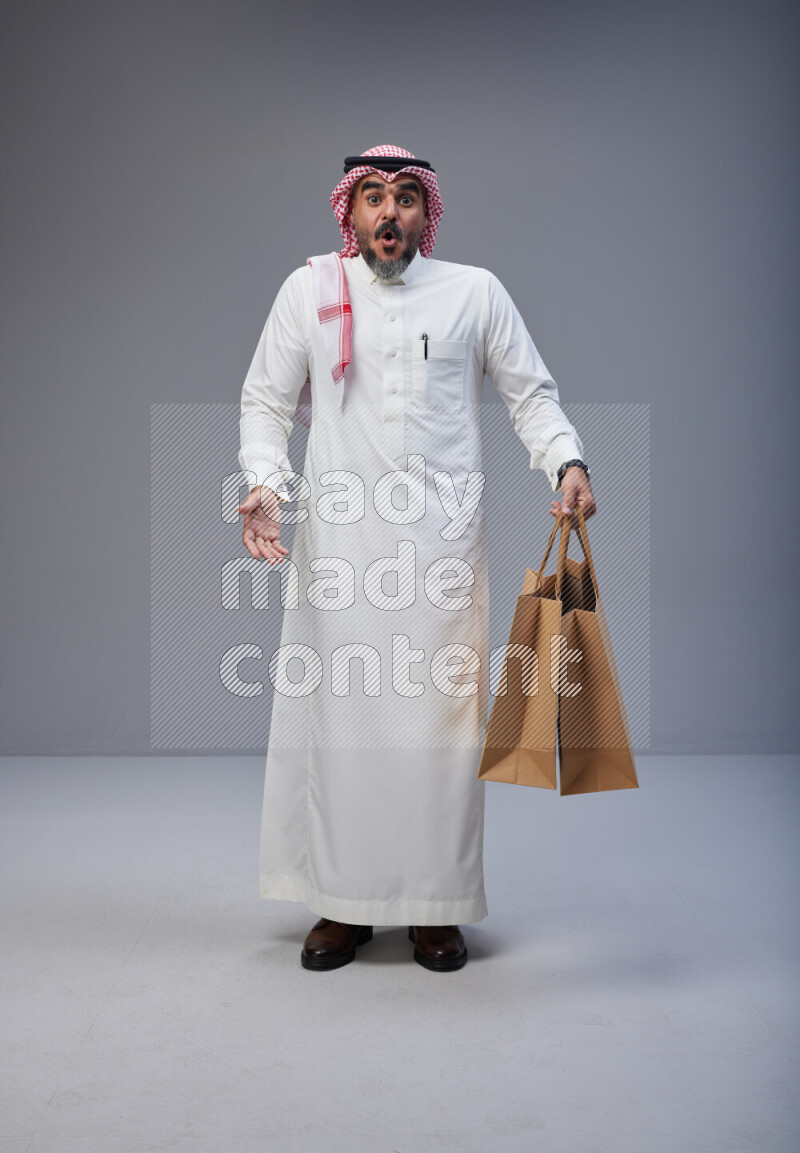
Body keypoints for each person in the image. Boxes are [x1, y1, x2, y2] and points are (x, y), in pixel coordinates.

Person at [236, 145, 596, 973]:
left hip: (441, 551)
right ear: (349, 212)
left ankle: (436, 908)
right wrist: (264, 482)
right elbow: (263, 400)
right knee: (345, 725)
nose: (388, 213)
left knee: (441, 730)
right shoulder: (310, 293)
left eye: (404, 197)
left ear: (426, 213)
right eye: (372, 198)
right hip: (341, 549)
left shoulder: (474, 293)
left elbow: (529, 395)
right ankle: (341, 903)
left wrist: (569, 463)